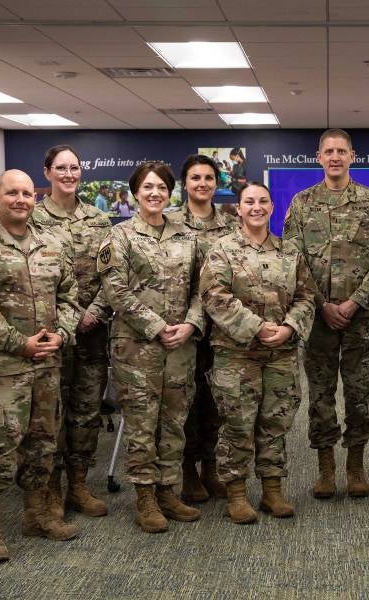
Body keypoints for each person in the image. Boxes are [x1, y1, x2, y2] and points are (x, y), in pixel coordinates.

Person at [0, 169, 81, 563]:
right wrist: (19, 344)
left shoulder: (52, 245)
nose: (21, 199)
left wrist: (63, 334)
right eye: (12, 193)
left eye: (27, 193)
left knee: (42, 446)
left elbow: (71, 296)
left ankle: (37, 514)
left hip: (46, 365)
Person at [283, 129, 369, 499]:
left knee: (360, 395)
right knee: (321, 395)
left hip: (360, 318)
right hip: (318, 319)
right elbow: (293, 263)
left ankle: (356, 467)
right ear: (318, 157)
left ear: (352, 156)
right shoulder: (301, 203)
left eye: (341, 151)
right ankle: (326, 469)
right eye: (328, 151)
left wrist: (355, 301)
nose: (335, 157)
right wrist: (322, 304)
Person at [200, 182, 317, 524]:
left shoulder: (289, 251)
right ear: (238, 208)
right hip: (236, 353)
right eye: (249, 201)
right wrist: (256, 327)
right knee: (237, 423)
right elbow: (214, 295)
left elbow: (307, 296)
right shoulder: (222, 249)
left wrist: (289, 327)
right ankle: (236, 493)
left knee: (276, 421)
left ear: (271, 207)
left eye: (263, 201)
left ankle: (272, 491)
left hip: (281, 351)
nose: (256, 207)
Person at [97, 162, 204, 533]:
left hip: (180, 346)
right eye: (148, 187)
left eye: (162, 187)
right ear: (135, 193)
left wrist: (190, 324)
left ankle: (168, 491)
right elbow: (116, 291)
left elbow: (201, 290)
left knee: (174, 421)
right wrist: (158, 326)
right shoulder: (119, 237)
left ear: (171, 192)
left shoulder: (187, 236)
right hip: (137, 347)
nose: (155, 193)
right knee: (142, 424)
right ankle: (144, 497)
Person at [32, 145, 113, 521]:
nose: (69, 174)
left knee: (86, 411)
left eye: (74, 168)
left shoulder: (98, 220)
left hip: (91, 333)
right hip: (49, 334)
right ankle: (50, 490)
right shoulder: (31, 218)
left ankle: (79, 484)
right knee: (50, 414)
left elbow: (110, 275)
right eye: (61, 168)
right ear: (47, 172)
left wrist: (93, 311)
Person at [173, 154, 238, 504]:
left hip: (222, 328)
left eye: (209, 178)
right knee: (186, 399)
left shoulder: (230, 227)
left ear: (217, 183)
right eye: (195, 177)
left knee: (216, 400)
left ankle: (211, 465)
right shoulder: (169, 224)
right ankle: (186, 469)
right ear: (185, 182)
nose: (202, 183)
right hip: (182, 326)